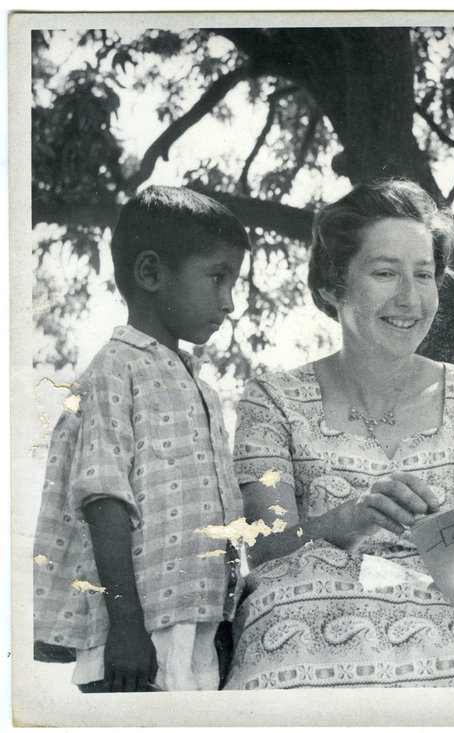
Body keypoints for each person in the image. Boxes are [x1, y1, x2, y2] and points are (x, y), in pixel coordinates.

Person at [224, 178, 454, 690]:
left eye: (424, 274)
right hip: (305, 631)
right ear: (332, 286)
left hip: (450, 641)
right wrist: (349, 519)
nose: (409, 297)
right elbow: (265, 551)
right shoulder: (273, 399)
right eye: (385, 272)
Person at [33, 186, 250, 692]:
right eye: (217, 277)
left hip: (200, 622)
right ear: (150, 273)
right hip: (139, 630)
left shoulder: (203, 388)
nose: (229, 302)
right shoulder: (117, 367)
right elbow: (103, 496)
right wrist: (126, 627)